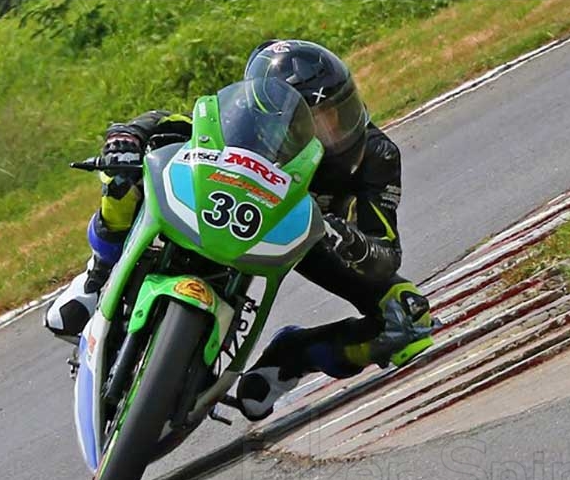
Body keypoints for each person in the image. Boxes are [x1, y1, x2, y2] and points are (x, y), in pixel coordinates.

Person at [44, 39, 435, 420]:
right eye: (314, 123)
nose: (335, 131)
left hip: (303, 237)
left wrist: (349, 241)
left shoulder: (377, 155)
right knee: (122, 178)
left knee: (407, 317)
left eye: (340, 113)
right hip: (223, 202)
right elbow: (175, 122)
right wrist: (127, 136)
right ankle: (99, 276)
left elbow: (386, 254)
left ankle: (291, 359)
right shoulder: (242, 120)